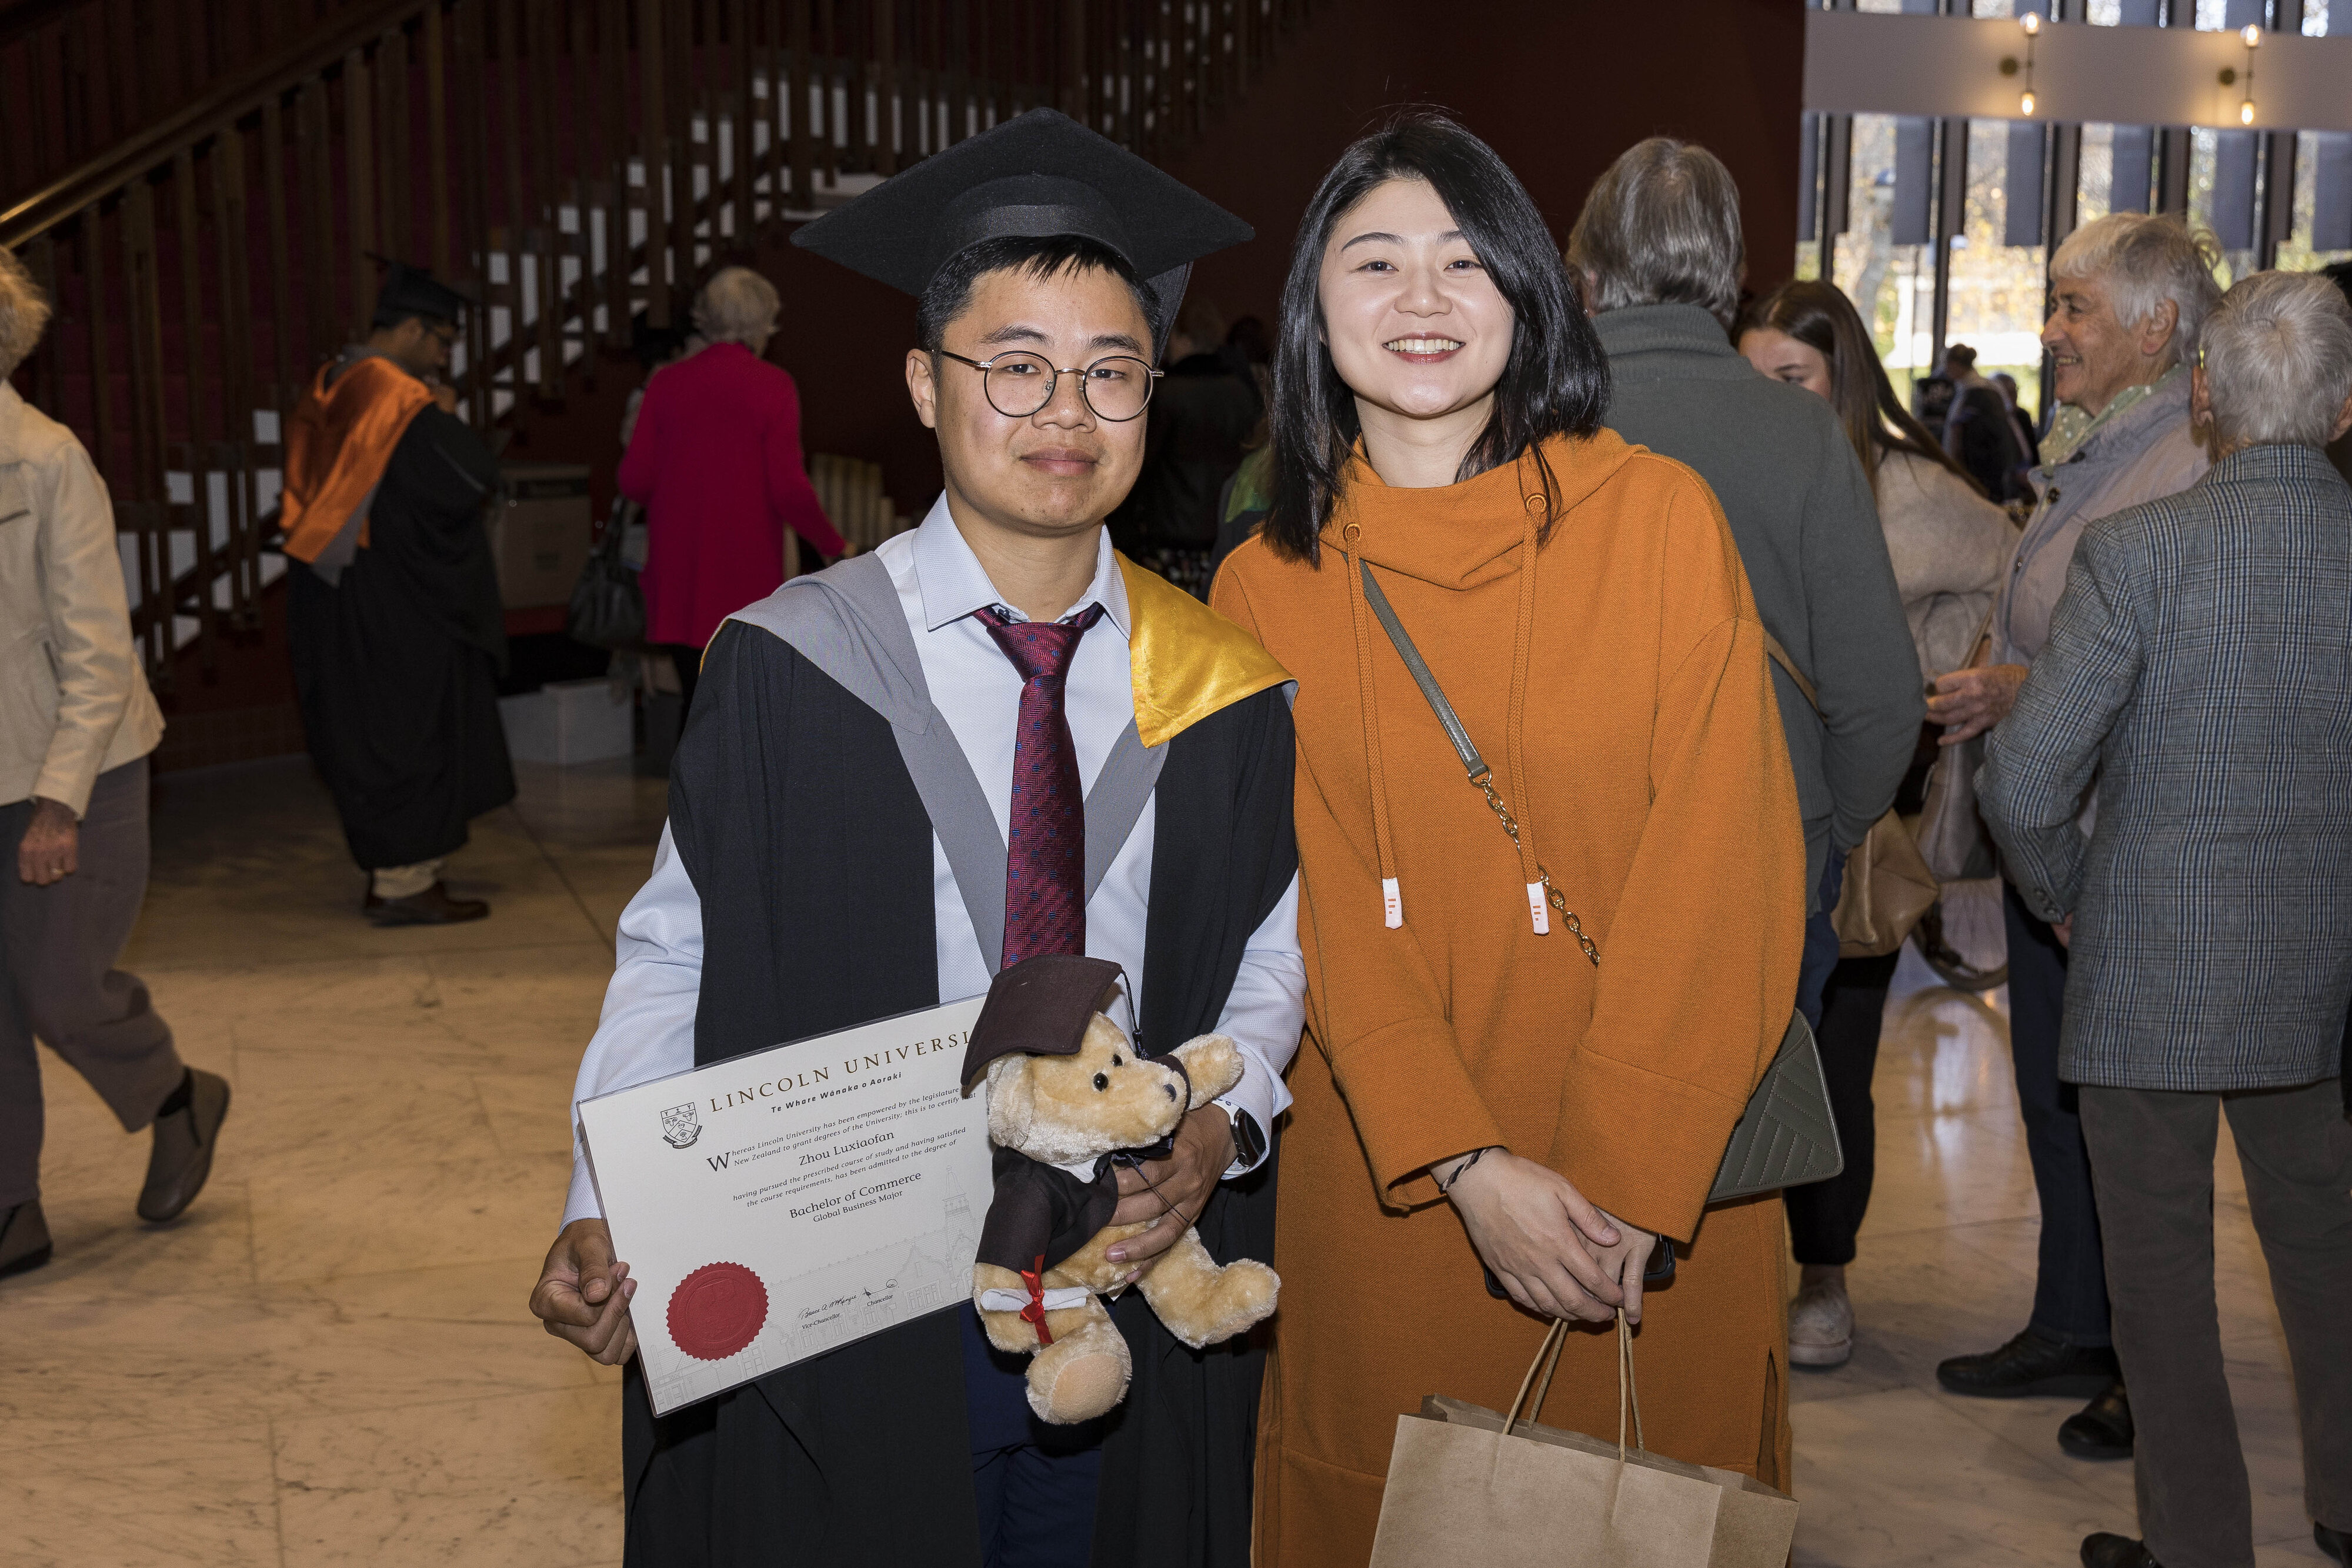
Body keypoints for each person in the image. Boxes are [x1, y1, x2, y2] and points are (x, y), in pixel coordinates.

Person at [529, 108, 1303, 1568]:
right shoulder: (789, 662)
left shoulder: (1222, 684)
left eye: (1109, 370)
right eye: (1014, 367)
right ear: (923, 384)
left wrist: (1221, 1115)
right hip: (857, 1284)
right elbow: (677, 943)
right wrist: (606, 1194)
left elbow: (1274, 946)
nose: (1063, 411)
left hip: (1122, 1277)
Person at [1212, 111, 1807, 1567]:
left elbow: (1726, 859)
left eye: (1466, 260)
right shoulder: (1259, 583)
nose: (1422, 299)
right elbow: (1312, 902)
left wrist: (1623, 1168)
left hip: (1658, 1190)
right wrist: (1465, 1161)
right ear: (1313, 309)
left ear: (1533, 294)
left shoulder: (1661, 518)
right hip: (1396, 1183)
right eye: (1375, 262)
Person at [1977, 269, 2352, 1568]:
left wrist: (2070, 901)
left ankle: (2200, 1547)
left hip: (2145, 982)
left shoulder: (2137, 553)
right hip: (2319, 984)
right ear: (2345, 409)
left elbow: (2020, 779)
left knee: (2164, 1296)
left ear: (2199, 396)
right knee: (2327, 1266)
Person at [1927, 212, 2220, 1462]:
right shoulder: (2101, 449)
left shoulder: (2185, 471)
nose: (2048, 334)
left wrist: (2017, 696)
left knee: (2137, 1138)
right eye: (2052, 306)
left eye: (2074, 308)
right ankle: (2073, 1320)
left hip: (2125, 850)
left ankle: (2139, 1370)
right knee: (2063, 1106)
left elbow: (2168, 680)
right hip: (2061, 837)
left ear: (2157, 329)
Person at [1565, 136, 1921, 1031]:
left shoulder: (1527, 425)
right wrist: (1822, 836)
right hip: (1762, 865)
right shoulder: (1803, 436)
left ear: (1592, 272)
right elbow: (1879, 698)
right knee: (1746, 1158)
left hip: (1562, 874)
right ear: (1731, 270)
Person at [1737, 277, 2013, 1369]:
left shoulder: (1903, 488)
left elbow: (2013, 565)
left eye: (1791, 379)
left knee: (1832, 1063)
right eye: (1751, 376)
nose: (1769, 400)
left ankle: (1823, 1272)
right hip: (1734, 814)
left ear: (1840, 377)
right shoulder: (1722, 473)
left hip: (1848, 827)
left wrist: (1954, 676)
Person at [0, 246, 230, 1278]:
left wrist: (58, 803)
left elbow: (97, 651)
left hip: (72, 774)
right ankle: (11, 1205)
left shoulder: (45, 460)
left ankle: (178, 1094)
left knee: (58, 990)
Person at [281, 261, 515, 926]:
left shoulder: (328, 382)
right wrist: (447, 416)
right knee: (405, 727)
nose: (443, 356)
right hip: (392, 598)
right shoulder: (397, 397)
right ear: (410, 329)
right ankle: (405, 884)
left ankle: (393, 871)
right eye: (441, 340)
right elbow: (468, 480)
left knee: (360, 725)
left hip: (325, 587)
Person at [618, 265, 845, 715]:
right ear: (763, 323)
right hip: (746, 569)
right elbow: (788, 489)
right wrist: (833, 545)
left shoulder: (666, 383)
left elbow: (634, 480)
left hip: (678, 564)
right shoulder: (773, 386)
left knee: (695, 705)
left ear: (706, 316)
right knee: (745, 712)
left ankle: (690, 787)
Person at [1107, 295, 1261, 597]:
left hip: (1168, 537)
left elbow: (1141, 463)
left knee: (1165, 628)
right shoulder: (1241, 391)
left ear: (1183, 338)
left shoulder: (1167, 393)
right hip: (1223, 533)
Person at [1941, 343, 2027, 503]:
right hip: (1988, 470)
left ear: (1954, 365)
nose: (1945, 370)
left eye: (1947, 365)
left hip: (1981, 473)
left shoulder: (1978, 394)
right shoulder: (1982, 389)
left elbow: (1962, 438)